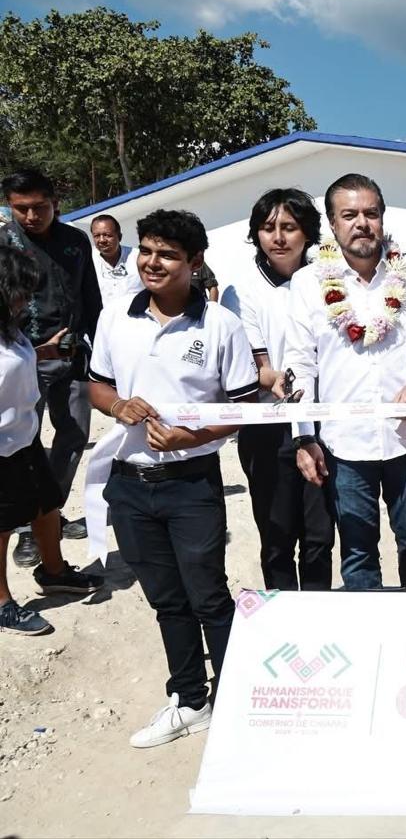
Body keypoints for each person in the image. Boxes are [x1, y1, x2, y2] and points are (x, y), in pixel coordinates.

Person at [86, 210, 258, 747]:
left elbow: (243, 407)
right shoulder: (116, 315)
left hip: (192, 484)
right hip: (129, 482)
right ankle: (189, 701)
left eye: (167, 254)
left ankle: (236, 700)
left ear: (195, 262)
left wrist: (192, 436)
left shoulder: (221, 325)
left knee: (209, 596)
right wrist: (116, 406)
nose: (152, 262)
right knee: (167, 600)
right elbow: (97, 385)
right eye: (146, 250)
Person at [280, 173, 406, 591]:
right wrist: (303, 437)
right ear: (333, 224)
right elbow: (300, 363)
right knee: (358, 550)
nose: (362, 223)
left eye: (371, 213)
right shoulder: (308, 283)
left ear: (383, 217)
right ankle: (369, 628)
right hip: (344, 443)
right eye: (349, 215)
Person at [221, 189, 335, 591]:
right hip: (268, 427)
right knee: (277, 538)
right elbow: (256, 365)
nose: (279, 237)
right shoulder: (241, 290)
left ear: (308, 233)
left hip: (320, 424)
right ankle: (283, 616)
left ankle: (319, 612)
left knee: (319, 537)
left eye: (289, 227)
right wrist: (275, 380)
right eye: (268, 228)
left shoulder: (328, 281)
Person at [0, 246, 105, 634]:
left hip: (23, 438)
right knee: (2, 525)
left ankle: (54, 571)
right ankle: (1, 604)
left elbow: (14, 361)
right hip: (1, 449)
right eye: (21, 292)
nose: (26, 300)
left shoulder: (10, 328)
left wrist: (43, 351)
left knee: (46, 504)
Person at [1, 169, 103, 565]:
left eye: (39, 207)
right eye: (20, 208)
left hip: (73, 357)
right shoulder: (3, 244)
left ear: (55, 203)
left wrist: (102, 349)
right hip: (20, 360)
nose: (31, 216)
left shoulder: (76, 241)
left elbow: (91, 298)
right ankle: (27, 528)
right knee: (22, 443)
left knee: (74, 436)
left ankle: (49, 512)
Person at [90, 213, 143, 305]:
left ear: (120, 236)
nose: (102, 240)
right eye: (97, 236)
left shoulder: (138, 257)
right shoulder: (87, 261)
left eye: (107, 235)